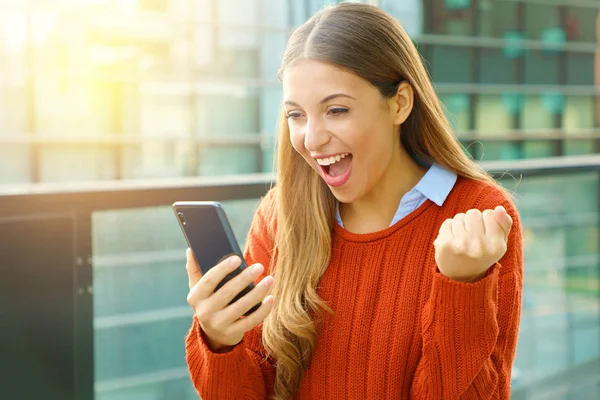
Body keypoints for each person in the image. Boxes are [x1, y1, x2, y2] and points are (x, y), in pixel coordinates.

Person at [184, 3, 523, 399]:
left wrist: (463, 287)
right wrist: (221, 340)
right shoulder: (280, 216)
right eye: (296, 115)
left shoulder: (478, 219)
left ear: (399, 104)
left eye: (337, 110)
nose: (311, 140)